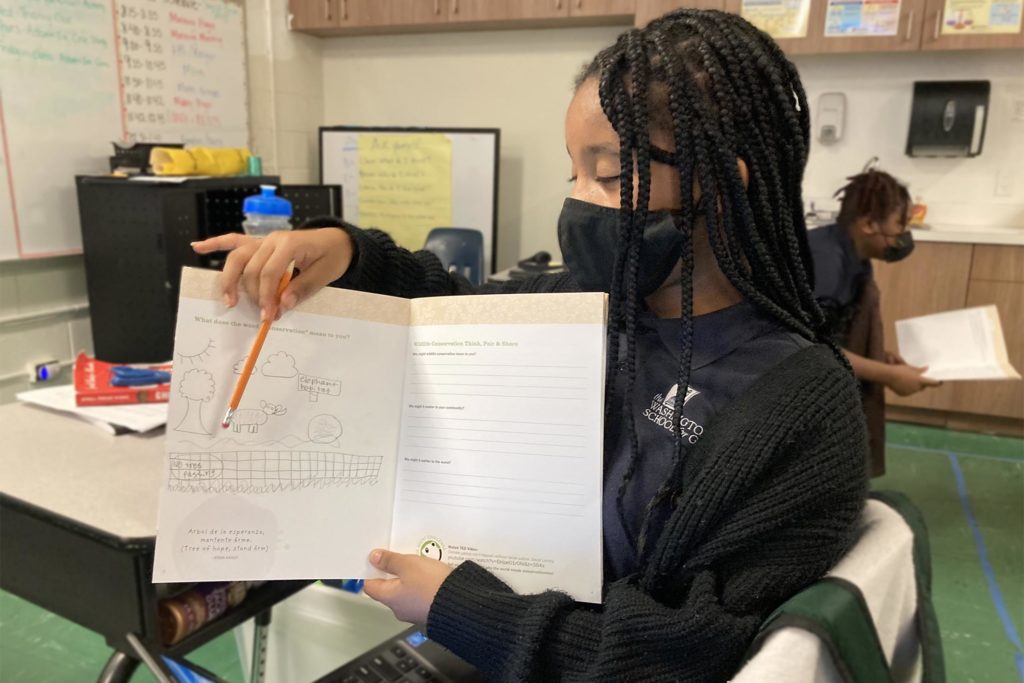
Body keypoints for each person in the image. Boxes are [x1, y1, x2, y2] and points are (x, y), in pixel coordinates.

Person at [194, 9, 868, 681]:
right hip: (482, 645)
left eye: (608, 175)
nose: (578, 200)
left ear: (720, 185)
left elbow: (684, 654)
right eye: (572, 171)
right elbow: (450, 306)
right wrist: (345, 252)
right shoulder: (580, 303)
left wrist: (461, 607)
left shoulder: (800, 412)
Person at [808, 170, 940, 476]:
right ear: (868, 224)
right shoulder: (826, 260)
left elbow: (842, 331)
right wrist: (888, 374)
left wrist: (884, 360)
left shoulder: (858, 257)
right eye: (900, 225)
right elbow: (813, 350)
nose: (904, 236)